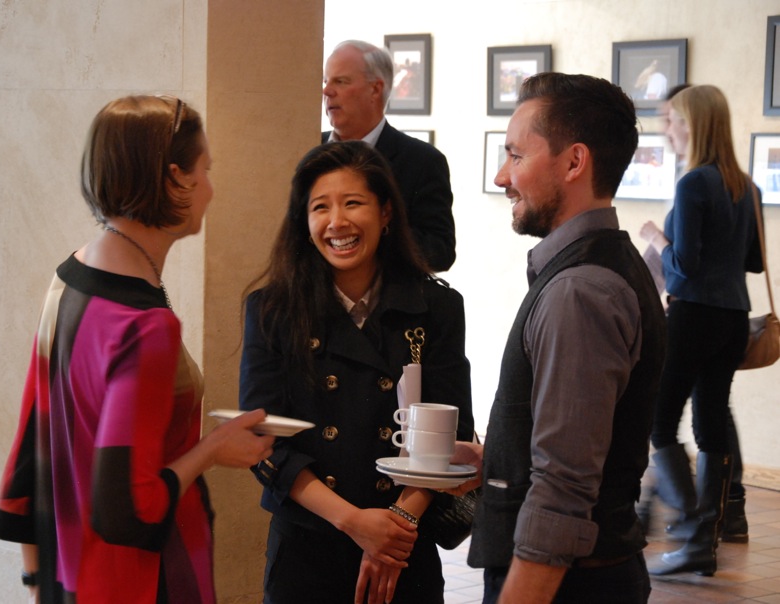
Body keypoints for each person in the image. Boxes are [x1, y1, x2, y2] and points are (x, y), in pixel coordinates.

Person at [0, 95, 276, 604]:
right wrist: (212, 450)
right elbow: (127, 511)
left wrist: (35, 580)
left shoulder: (69, 276)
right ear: (175, 179)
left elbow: (33, 443)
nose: (211, 188)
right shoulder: (146, 327)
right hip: (137, 584)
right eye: (205, 169)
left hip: (68, 575)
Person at [449, 72, 667, 603]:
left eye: (516, 156)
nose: (502, 176)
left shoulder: (579, 291)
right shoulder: (600, 269)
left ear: (574, 162)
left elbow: (564, 486)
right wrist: (498, 460)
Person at [239, 141, 473, 604]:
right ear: (304, 223)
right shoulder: (272, 311)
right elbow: (263, 440)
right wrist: (354, 522)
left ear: (385, 213)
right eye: (320, 207)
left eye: (352, 203)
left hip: (404, 549)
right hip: (307, 551)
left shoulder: (437, 307)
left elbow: (453, 432)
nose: (337, 222)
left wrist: (397, 525)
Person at [640, 85, 764, 576]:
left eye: (674, 120)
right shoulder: (746, 186)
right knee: (710, 424)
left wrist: (657, 238)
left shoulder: (693, 183)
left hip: (692, 316)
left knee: (659, 422)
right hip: (733, 318)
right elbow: (754, 261)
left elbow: (683, 266)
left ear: (692, 125)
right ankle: (704, 540)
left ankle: (693, 529)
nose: (668, 128)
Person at [322, 40, 456, 272]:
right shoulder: (307, 149)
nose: (327, 91)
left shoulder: (422, 161)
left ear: (375, 89)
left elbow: (440, 252)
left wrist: (372, 230)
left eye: (340, 81)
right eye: (326, 81)